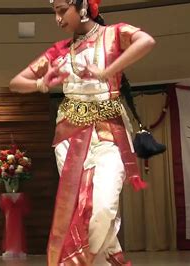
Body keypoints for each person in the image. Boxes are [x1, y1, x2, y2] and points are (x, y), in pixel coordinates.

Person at [9, 0, 155, 265]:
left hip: (110, 133)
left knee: (102, 207)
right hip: (70, 135)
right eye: (55, 12)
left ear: (83, 7)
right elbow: (16, 83)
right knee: (81, 210)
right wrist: (42, 84)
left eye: (63, 10)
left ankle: (75, 261)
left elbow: (146, 41)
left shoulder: (113, 35)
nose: (58, 18)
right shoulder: (59, 52)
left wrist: (107, 72)